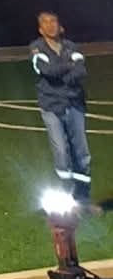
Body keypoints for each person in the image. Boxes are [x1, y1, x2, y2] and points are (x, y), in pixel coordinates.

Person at [32, 10, 94, 206]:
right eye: (46, 22)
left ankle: (83, 194)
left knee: (81, 152)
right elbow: (47, 71)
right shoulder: (36, 48)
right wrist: (69, 66)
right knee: (61, 151)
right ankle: (66, 193)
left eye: (53, 21)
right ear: (40, 29)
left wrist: (62, 71)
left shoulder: (71, 46)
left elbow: (81, 71)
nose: (50, 25)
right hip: (51, 106)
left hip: (74, 103)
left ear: (60, 26)